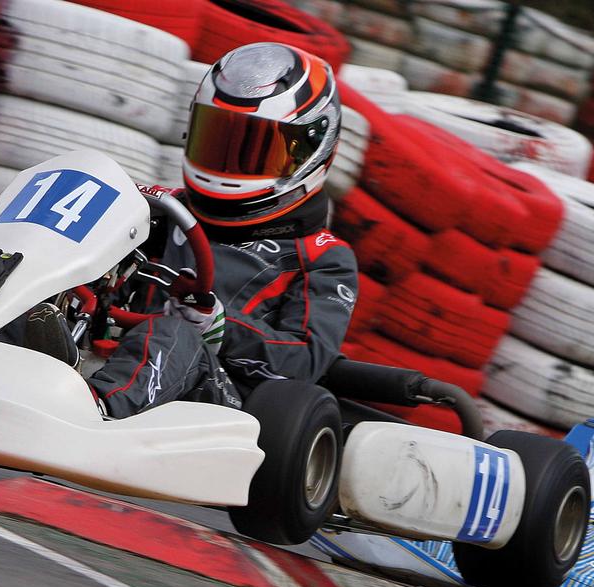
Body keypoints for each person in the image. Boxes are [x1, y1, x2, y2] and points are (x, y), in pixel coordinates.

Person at [26, 41, 359, 419]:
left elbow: (306, 360)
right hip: (110, 355)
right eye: (219, 139)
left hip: (225, 403)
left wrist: (220, 325)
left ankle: (90, 414)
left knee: (173, 333)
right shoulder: (157, 208)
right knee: (32, 297)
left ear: (311, 150)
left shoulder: (324, 257)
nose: (229, 165)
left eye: (254, 151)